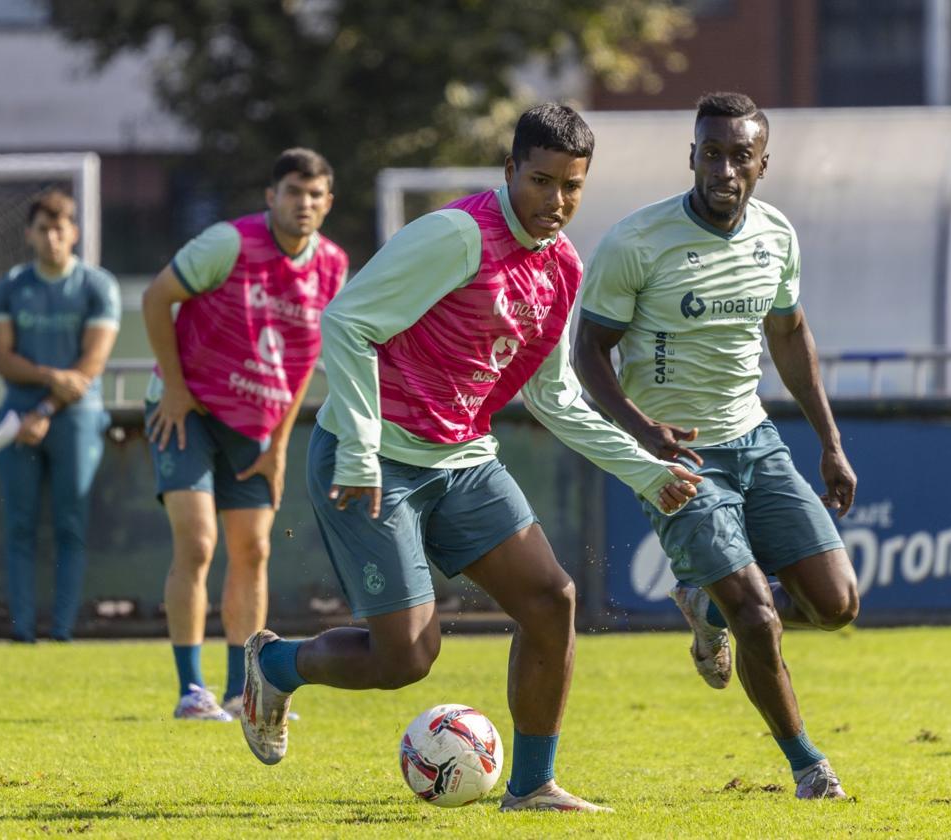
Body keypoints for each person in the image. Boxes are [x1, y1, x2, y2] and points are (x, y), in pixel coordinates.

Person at [237, 104, 699, 812]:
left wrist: (645, 467)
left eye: (572, 187)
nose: (557, 202)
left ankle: (532, 786)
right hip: (374, 458)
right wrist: (360, 450)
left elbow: (553, 398)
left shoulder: (563, 269)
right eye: (541, 181)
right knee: (408, 660)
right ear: (510, 170)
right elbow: (348, 322)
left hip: (463, 459)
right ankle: (274, 664)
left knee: (552, 600)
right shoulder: (457, 235)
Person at [573, 91, 860, 800]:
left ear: (763, 162)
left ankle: (706, 608)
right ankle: (808, 765)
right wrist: (646, 435)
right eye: (711, 153)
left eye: (740, 155)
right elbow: (587, 353)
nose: (724, 169)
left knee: (837, 605)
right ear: (691, 156)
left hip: (756, 441)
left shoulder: (776, 235)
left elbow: (789, 335)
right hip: (679, 462)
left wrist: (830, 441)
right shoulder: (636, 242)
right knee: (759, 617)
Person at [141, 148, 347, 721]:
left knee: (253, 550)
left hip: (257, 427)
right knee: (199, 541)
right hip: (187, 410)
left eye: (314, 194)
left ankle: (242, 692)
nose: (302, 203)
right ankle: (191, 691)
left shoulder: (332, 265)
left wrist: (280, 445)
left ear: (327, 203)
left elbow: (305, 360)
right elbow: (157, 297)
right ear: (270, 196)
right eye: (292, 191)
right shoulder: (227, 243)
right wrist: (176, 390)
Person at [0, 188, 121, 643]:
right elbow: (2, 358)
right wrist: (47, 380)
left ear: (75, 233)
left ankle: (62, 630)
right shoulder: (8, 286)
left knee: (70, 524)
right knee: (19, 526)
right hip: (16, 418)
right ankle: (22, 631)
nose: (52, 237)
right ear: (29, 234)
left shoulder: (97, 286)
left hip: (75, 417)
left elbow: (91, 365)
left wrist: (44, 406)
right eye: (43, 228)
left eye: (60, 228)